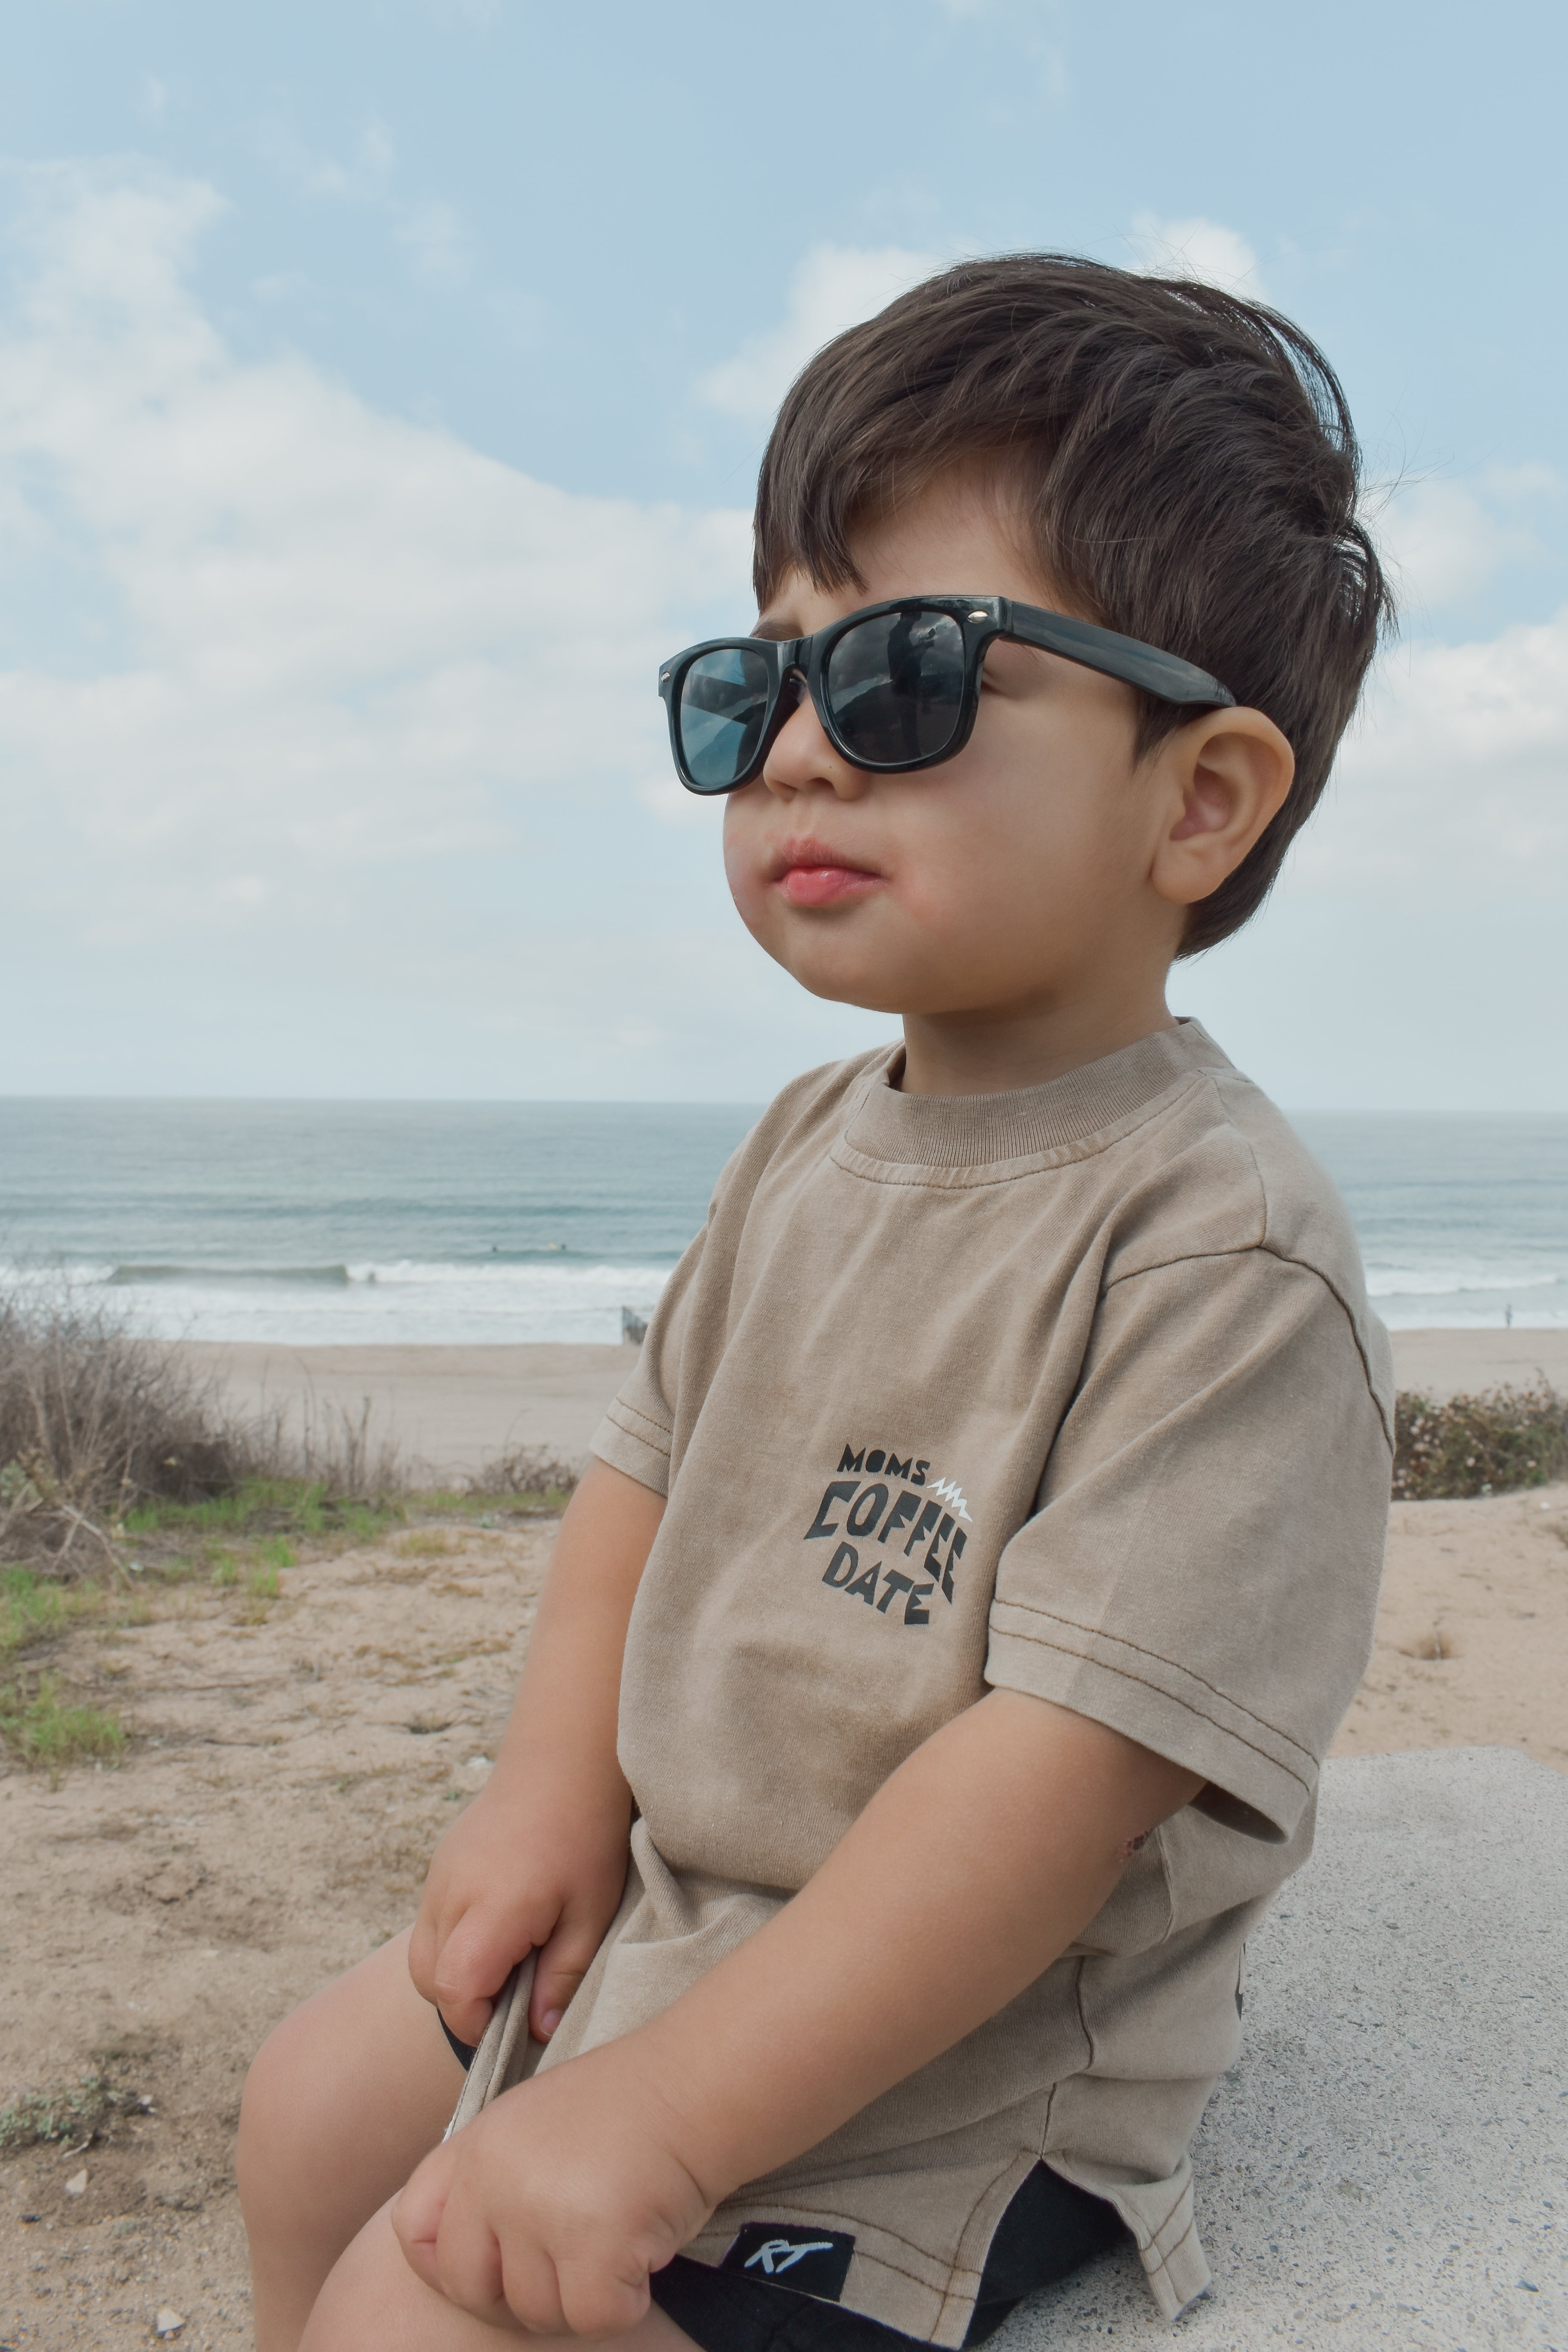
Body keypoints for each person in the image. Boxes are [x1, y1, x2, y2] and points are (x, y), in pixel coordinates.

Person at [237, 255, 1396, 2352]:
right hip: (693, 1921)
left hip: (954, 2078)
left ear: (1198, 799)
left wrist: (662, 2121)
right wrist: (547, 1795)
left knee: (423, 2312)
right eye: (753, 679)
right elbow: (638, 1489)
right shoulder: (799, 1142)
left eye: (906, 678)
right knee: (311, 2115)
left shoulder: (1212, 1252)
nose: (796, 747)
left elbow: (1049, 1791)